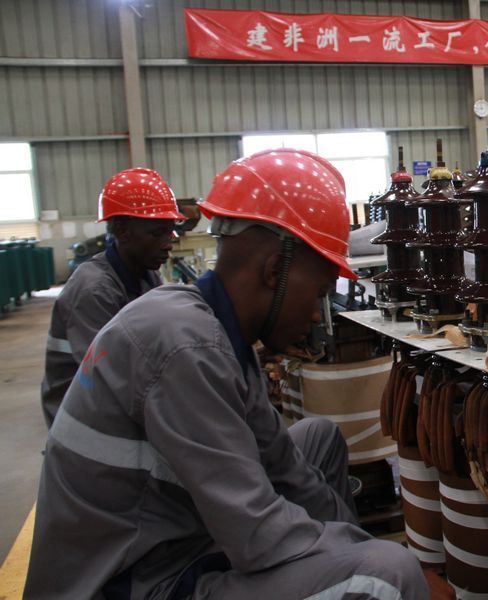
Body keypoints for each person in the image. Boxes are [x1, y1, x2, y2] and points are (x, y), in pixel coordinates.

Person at [25, 150, 429, 600]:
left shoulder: (219, 333)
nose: (318, 314)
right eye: (318, 293)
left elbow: (285, 466)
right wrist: (380, 567)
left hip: (171, 533)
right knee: (389, 574)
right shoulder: (184, 345)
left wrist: (353, 550)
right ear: (274, 271)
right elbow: (257, 534)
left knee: (317, 439)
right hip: (133, 577)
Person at [39, 168, 184, 427]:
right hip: (82, 416)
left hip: (110, 398)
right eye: (157, 233)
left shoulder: (145, 275)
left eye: (170, 232)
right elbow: (111, 377)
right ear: (122, 231)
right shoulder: (93, 290)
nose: (168, 244)